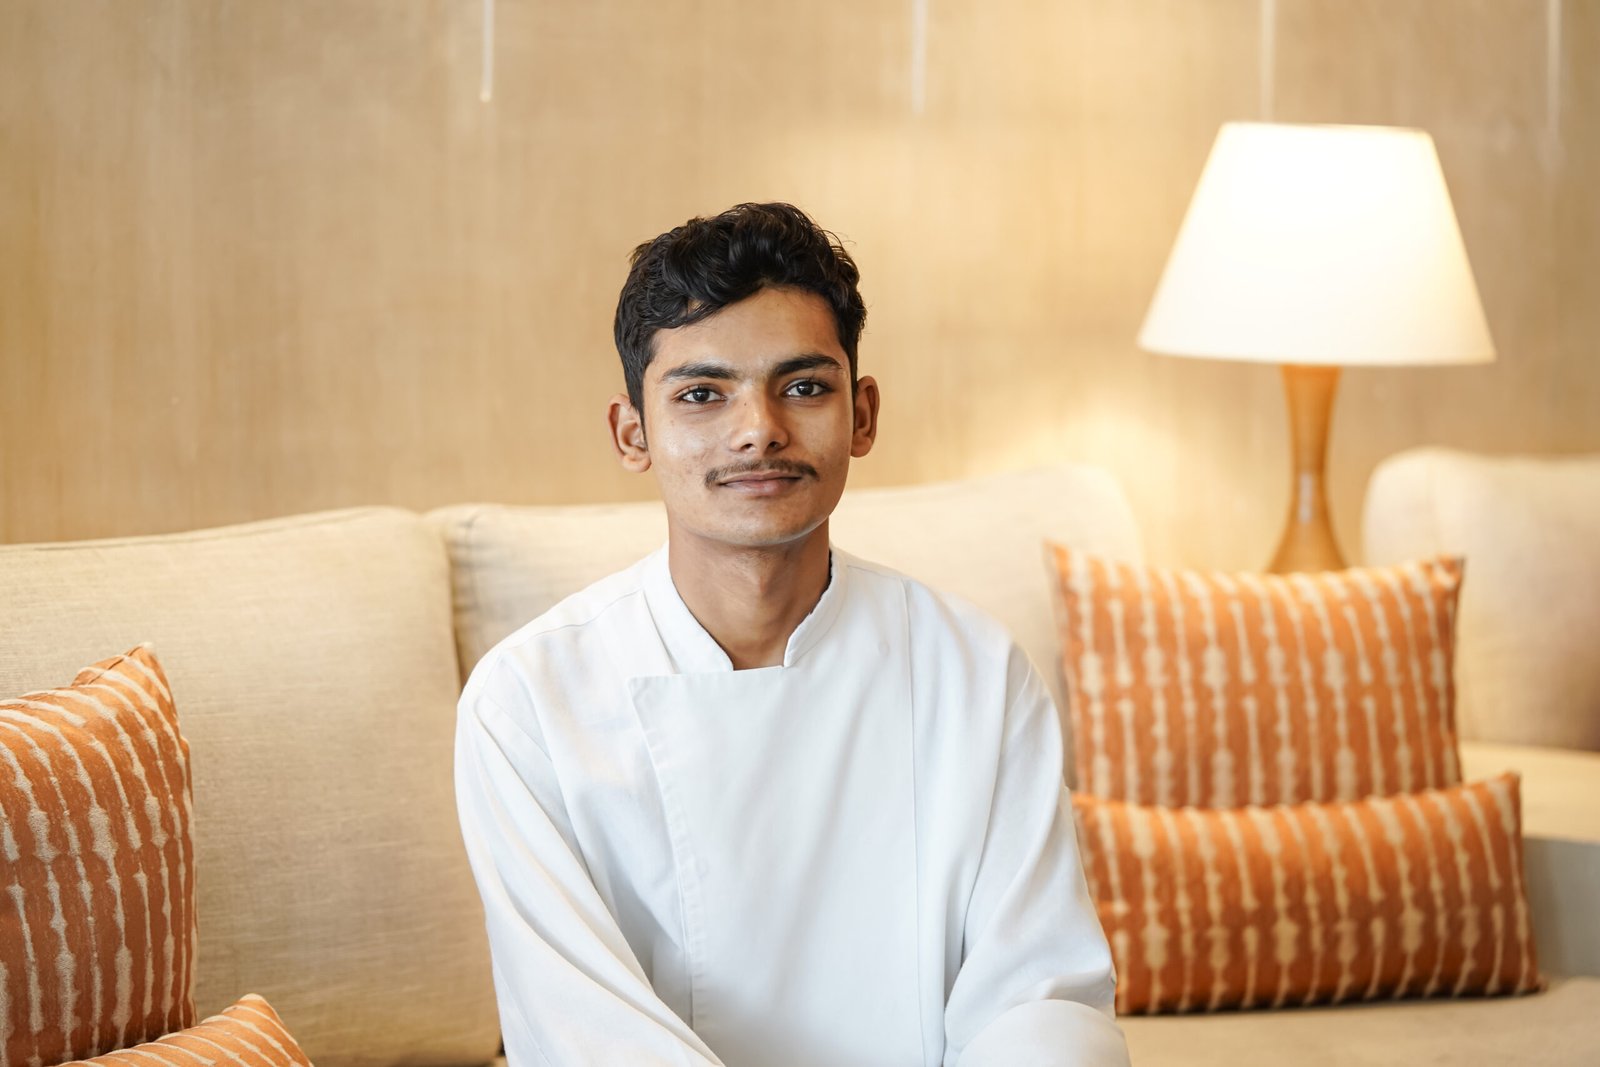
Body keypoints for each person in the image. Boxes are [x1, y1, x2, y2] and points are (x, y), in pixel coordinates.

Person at [453, 202, 1130, 1066]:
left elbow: (1040, 997)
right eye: (702, 394)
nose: (759, 429)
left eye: (804, 386)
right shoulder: (527, 703)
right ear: (632, 433)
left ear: (862, 415)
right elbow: (586, 1033)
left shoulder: (977, 673)